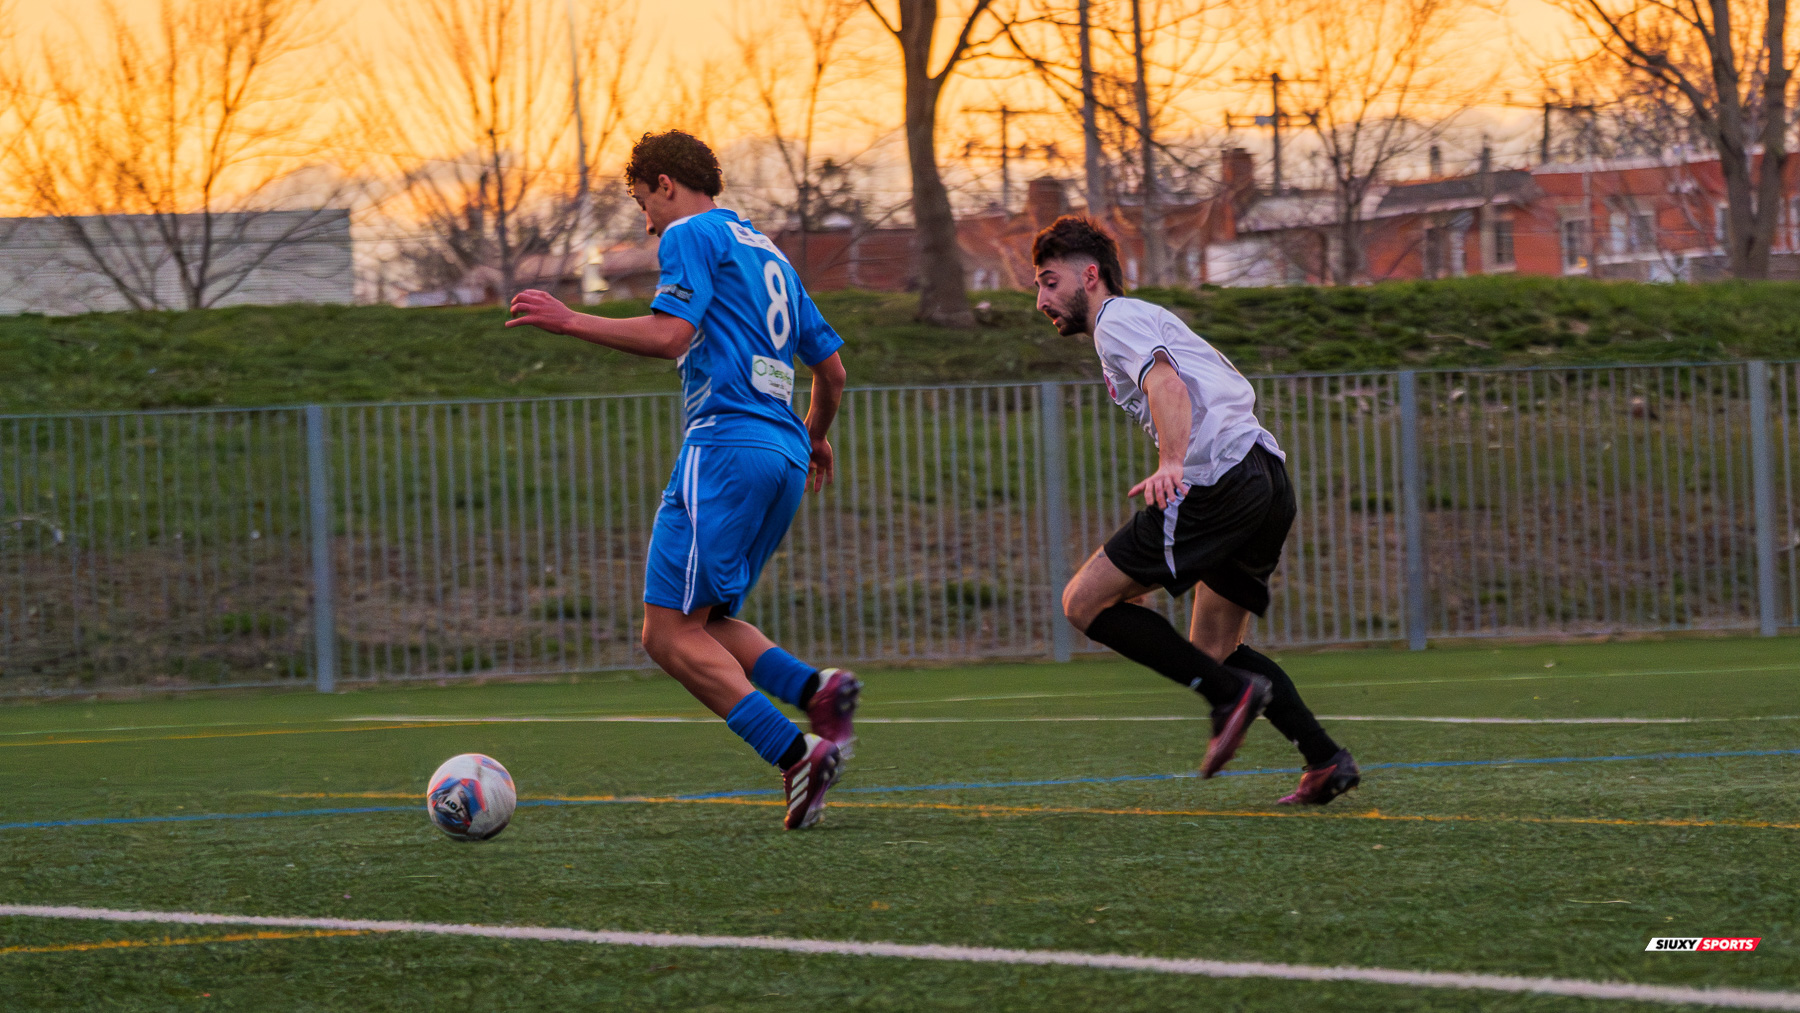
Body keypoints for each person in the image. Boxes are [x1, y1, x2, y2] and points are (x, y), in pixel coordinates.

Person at [506, 130, 860, 830]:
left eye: (644, 203)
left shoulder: (691, 233)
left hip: (724, 445)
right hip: (783, 456)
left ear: (666, 183)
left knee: (666, 632)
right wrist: (814, 435)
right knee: (708, 620)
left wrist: (569, 318)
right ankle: (814, 691)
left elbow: (671, 335)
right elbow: (834, 371)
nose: (646, 223)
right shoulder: (771, 254)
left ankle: (795, 753)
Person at [1031, 214, 1358, 804]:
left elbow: (1167, 385)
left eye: (1049, 282)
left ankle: (1228, 696)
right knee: (1215, 651)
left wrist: (1172, 463)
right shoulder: (1141, 317)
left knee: (1083, 602)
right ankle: (1324, 759)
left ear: (1090, 275)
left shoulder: (1116, 320)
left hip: (1216, 481)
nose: (1041, 299)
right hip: (1264, 478)